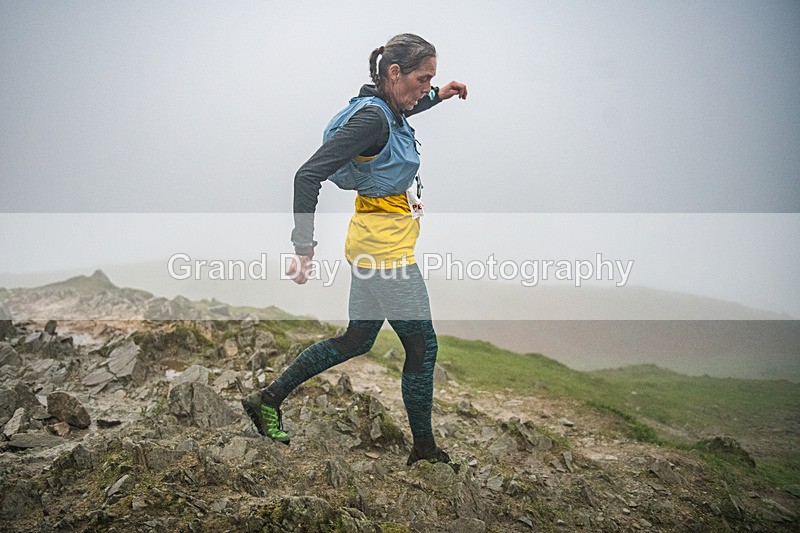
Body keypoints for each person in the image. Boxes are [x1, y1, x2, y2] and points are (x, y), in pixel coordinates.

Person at [242, 33, 468, 466]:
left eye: (431, 80)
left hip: (372, 240)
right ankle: (423, 450)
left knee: (357, 338)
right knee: (423, 349)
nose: (424, 88)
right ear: (394, 73)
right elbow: (307, 175)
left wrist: (441, 94)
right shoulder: (371, 121)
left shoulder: (386, 105)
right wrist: (303, 247)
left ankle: (266, 399)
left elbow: (409, 107)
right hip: (386, 255)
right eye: (423, 79)